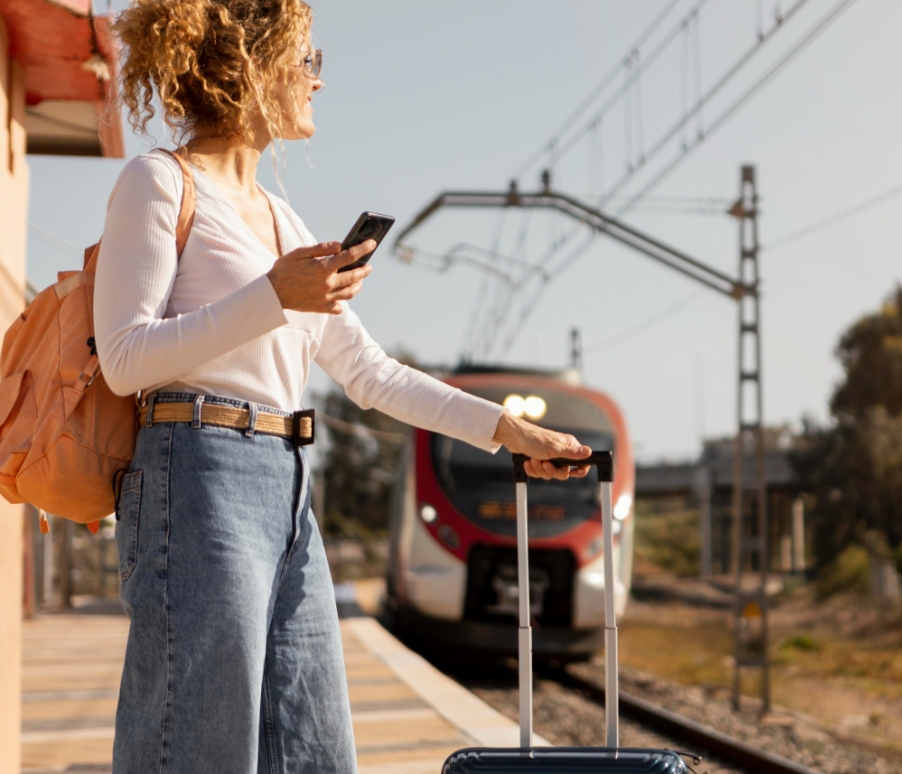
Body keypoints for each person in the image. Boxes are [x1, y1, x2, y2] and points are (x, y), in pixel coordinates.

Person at [96, 1, 588, 771]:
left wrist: (506, 430)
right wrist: (273, 296)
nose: (317, 82)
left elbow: (371, 374)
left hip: (288, 483)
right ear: (248, 69)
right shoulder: (158, 183)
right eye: (306, 62)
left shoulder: (286, 225)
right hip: (195, 478)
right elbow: (124, 357)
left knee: (317, 749)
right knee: (201, 745)